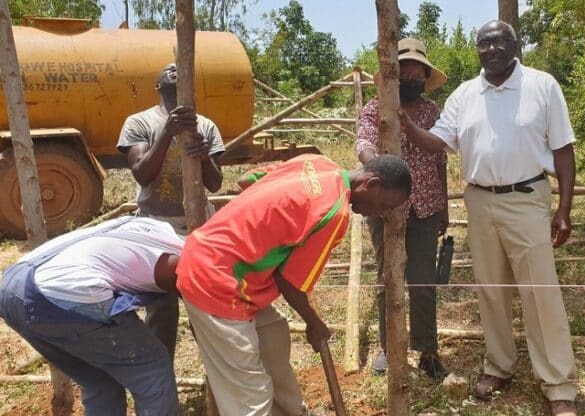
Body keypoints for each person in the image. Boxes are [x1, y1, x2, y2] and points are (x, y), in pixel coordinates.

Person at [396, 20, 579, 416]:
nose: (492, 48)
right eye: (484, 43)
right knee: (491, 289)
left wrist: (564, 209)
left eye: (500, 41)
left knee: (539, 292)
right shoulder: (465, 94)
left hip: (527, 198)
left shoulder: (542, 86)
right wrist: (405, 123)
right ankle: (499, 365)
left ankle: (558, 384)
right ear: (476, 49)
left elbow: (563, 150)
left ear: (515, 45)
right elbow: (437, 142)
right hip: (479, 201)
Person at [177, 153, 412, 416]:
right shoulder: (334, 213)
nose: (381, 213)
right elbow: (289, 282)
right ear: (371, 184)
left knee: (273, 336)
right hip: (218, 281)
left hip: (226, 266)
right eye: (384, 205)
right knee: (249, 396)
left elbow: (247, 180)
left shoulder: (316, 163)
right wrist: (314, 323)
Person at [0, 217, 184, 416]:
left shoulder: (149, 229)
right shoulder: (180, 259)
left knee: (101, 382)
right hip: (65, 292)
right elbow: (189, 284)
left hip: (13, 286)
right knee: (151, 369)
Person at [116, 63, 225, 360]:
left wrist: (203, 154)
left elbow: (214, 183)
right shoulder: (139, 122)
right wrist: (167, 132)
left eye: (179, 67)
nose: (174, 68)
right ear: (157, 85)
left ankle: (218, 384)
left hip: (199, 229)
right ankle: (161, 385)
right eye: (167, 69)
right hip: (156, 228)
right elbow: (142, 173)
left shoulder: (206, 126)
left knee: (207, 310)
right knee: (162, 311)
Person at [357, 37, 449, 379]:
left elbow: (438, 156)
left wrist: (444, 208)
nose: (411, 80)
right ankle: (387, 346)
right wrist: (380, 167)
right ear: (391, 77)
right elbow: (363, 144)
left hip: (425, 208)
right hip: (384, 207)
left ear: (424, 78)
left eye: (416, 75)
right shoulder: (373, 108)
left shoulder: (431, 112)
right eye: (403, 74)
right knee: (387, 276)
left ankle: (427, 350)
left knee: (423, 281)